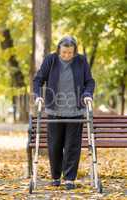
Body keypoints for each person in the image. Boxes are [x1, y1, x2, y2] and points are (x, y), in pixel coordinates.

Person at [33, 36, 95, 190]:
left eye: (70, 53)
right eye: (64, 52)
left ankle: (69, 178)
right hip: (55, 110)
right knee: (54, 145)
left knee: (72, 146)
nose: (67, 55)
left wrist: (87, 94)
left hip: (76, 111)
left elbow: (90, 81)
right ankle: (55, 176)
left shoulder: (81, 61)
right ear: (58, 50)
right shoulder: (51, 60)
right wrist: (38, 96)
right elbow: (38, 79)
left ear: (75, 52)